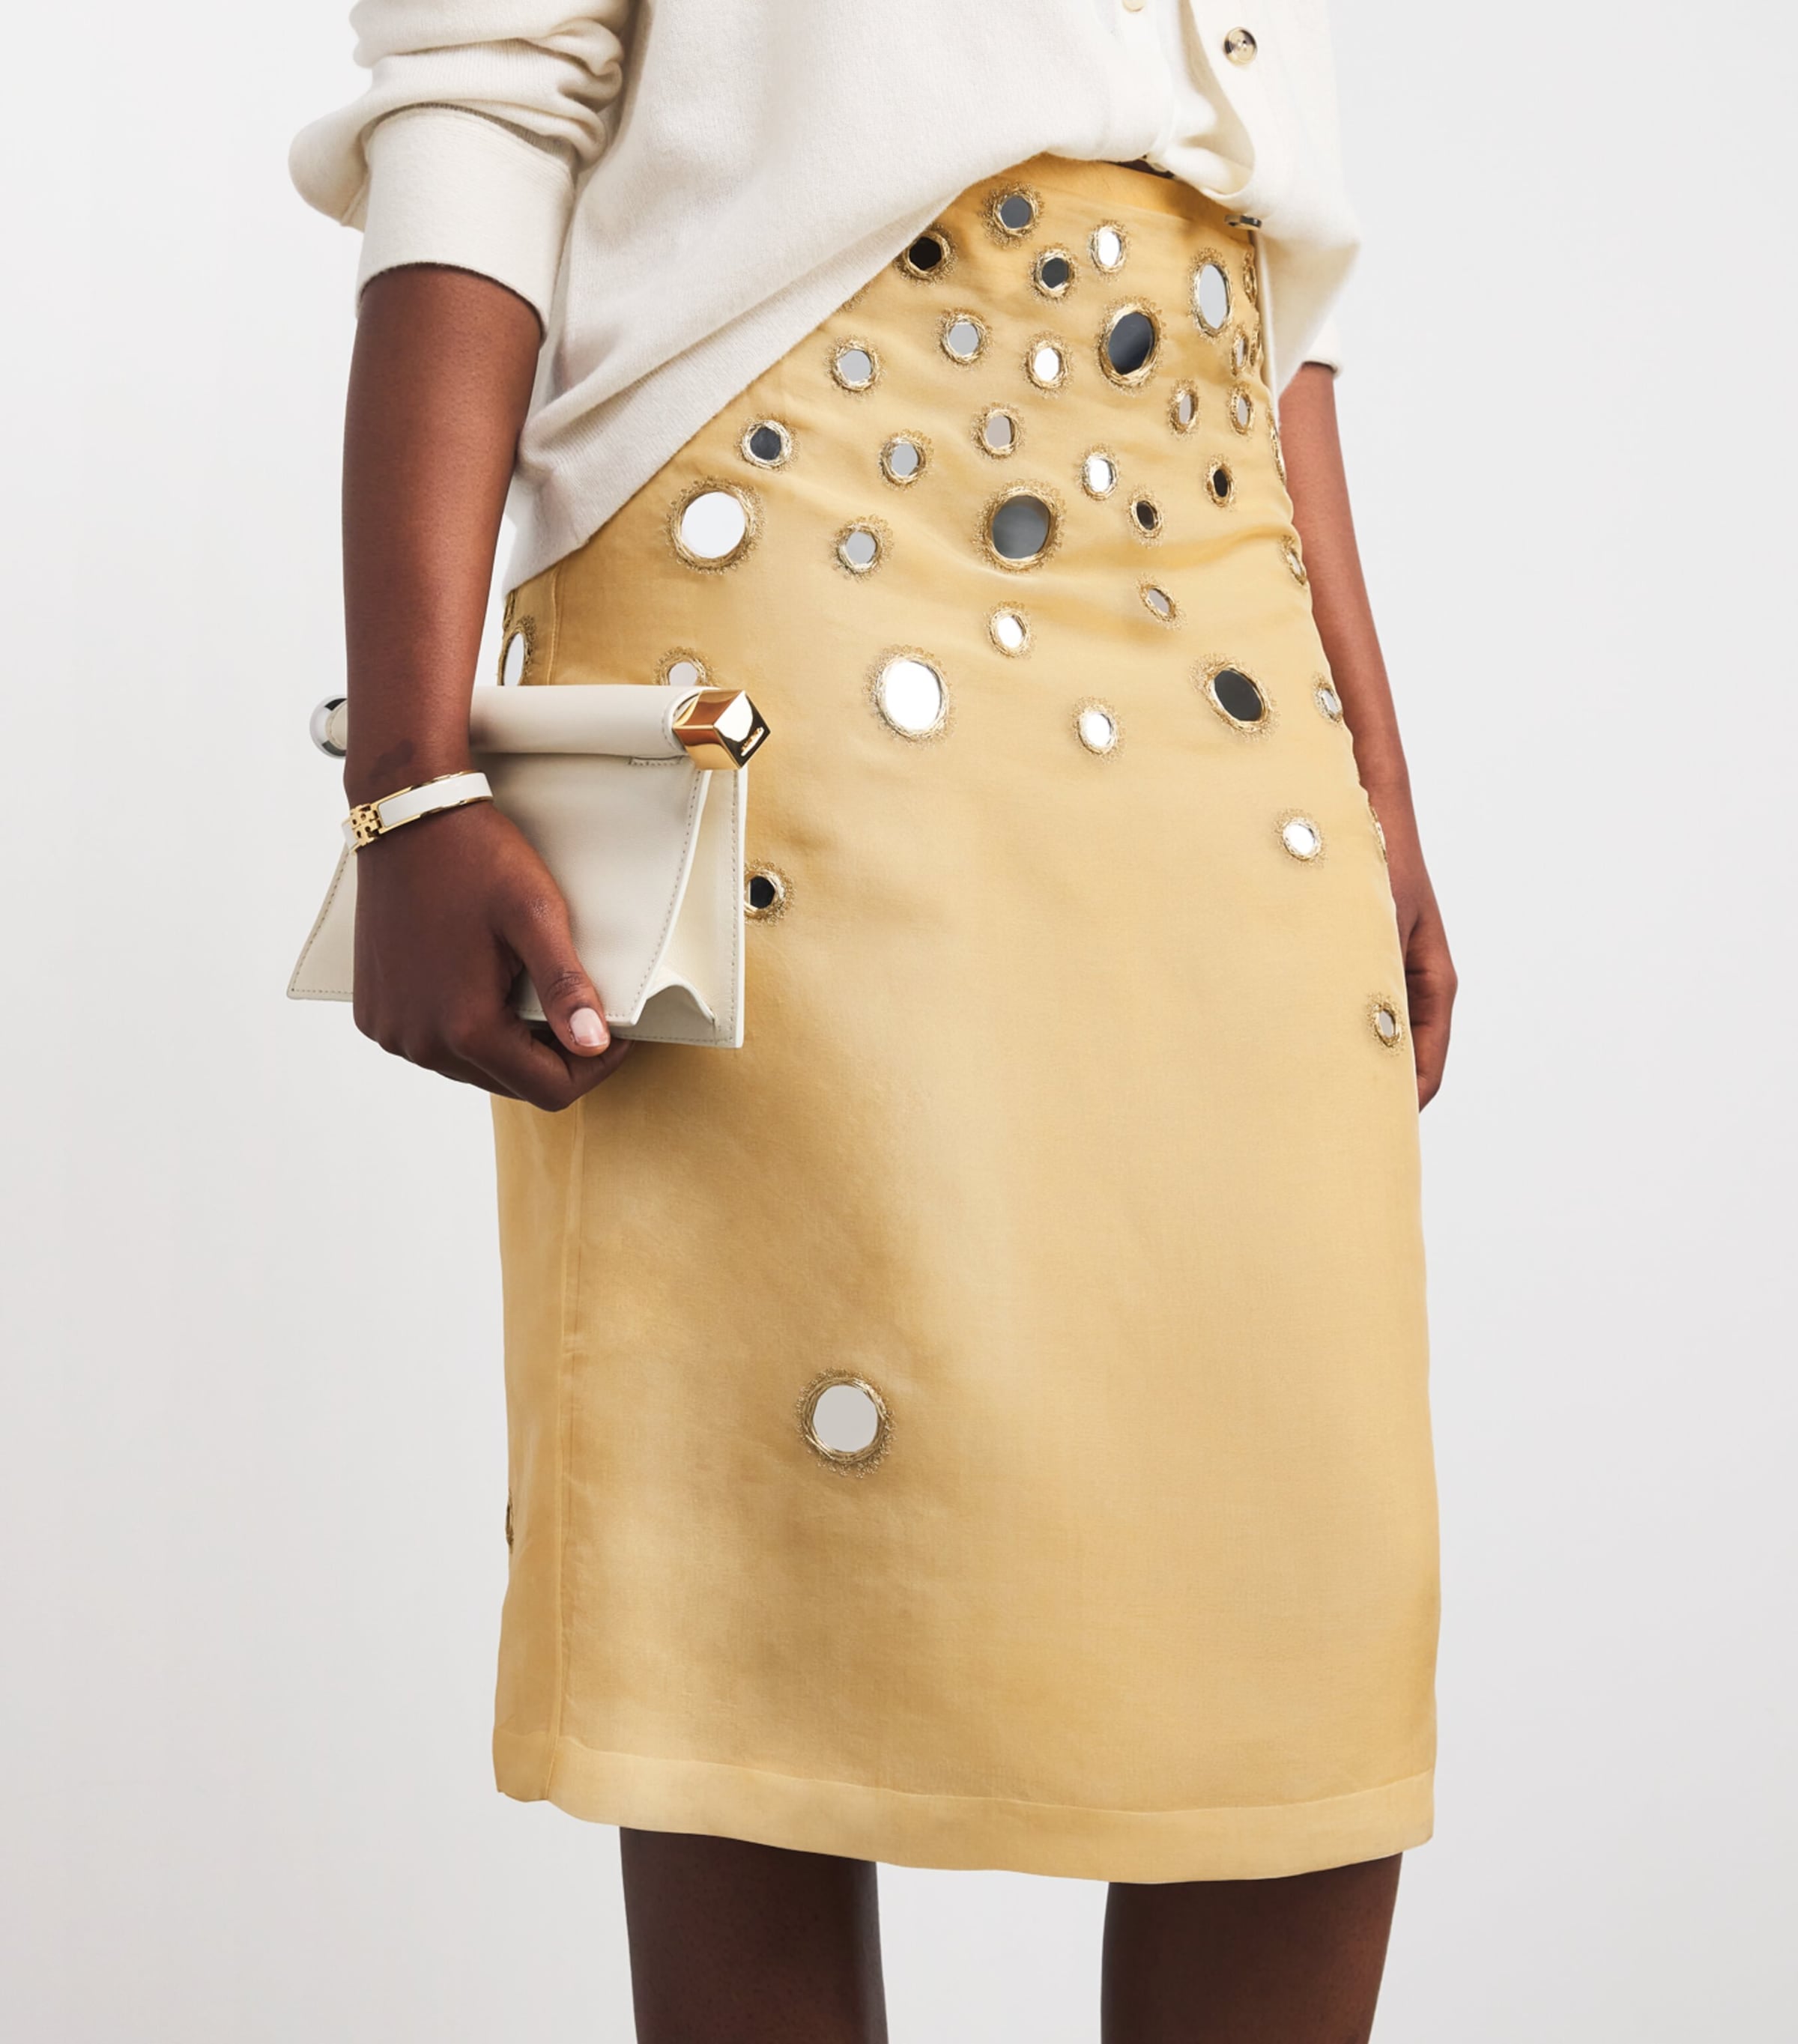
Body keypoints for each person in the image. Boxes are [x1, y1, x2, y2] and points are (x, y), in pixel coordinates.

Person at [292, 2, 1456, 2036]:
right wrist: (410, 770)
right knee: (765, 1643)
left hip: (1224, 599)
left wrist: (1375, 764)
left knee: (1303, 1645)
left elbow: (1281, 236)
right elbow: (485, 93)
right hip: (789, 572)